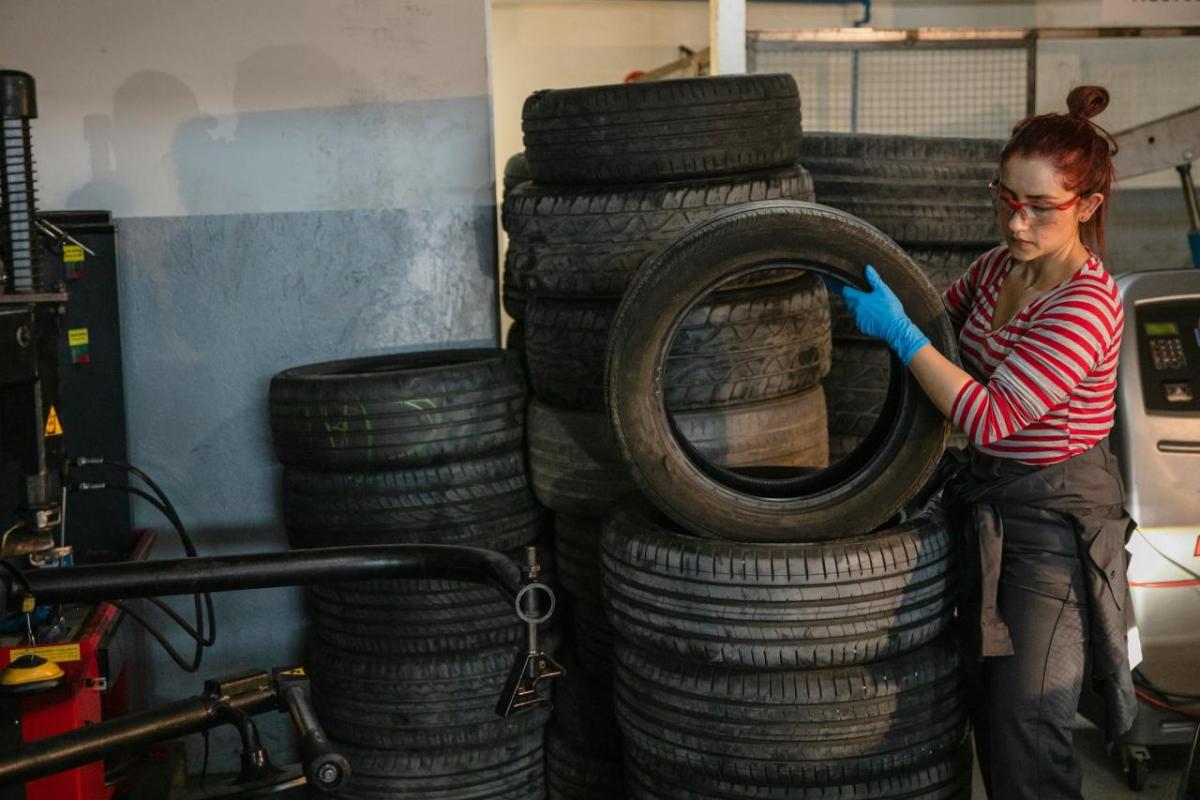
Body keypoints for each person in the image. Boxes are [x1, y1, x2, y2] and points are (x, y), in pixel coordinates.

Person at [837, 85, 1137, 800]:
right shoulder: (999, 265)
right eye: (1006, 197)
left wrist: (902, 335)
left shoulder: (1087, 305)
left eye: (1040, 206)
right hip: (991, 502)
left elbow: (990, 415)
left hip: (1055, 528)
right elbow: (943, 325)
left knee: (1025, 727)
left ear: (1087, 207)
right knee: (984, 707)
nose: (1017, 219)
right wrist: (892, 304)